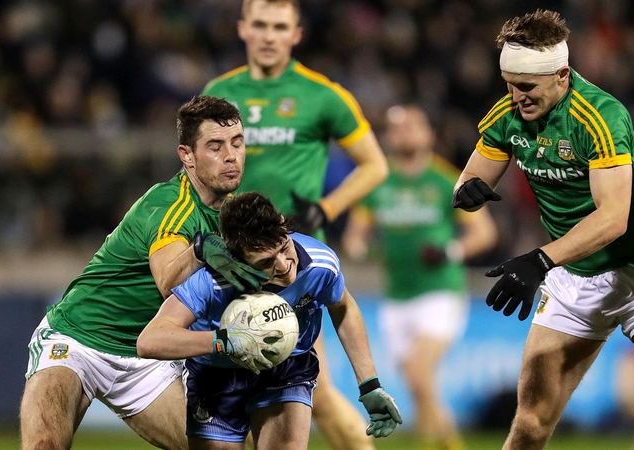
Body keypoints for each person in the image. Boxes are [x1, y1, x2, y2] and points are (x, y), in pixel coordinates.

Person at [452, 9, 634, 450]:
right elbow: (468, 180)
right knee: (529, 426)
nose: (518, 97)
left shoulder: (601, 116)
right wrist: (467, 192)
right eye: (510, 84)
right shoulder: (507, 114)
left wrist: (539, 260)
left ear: (562, 75)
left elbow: (613, 218)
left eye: (528, 87)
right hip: (574, 278)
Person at [19, 96, 270, 450]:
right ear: (187, 156)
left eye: (237, 143)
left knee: (225, 446)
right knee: (45, 444)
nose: (231, 156)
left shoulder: (232, 215)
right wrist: (199, 250)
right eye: (215, 146)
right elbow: (168, 280)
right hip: (78, 339)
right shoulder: (169, 205)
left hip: (146, 360)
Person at [201, 1, 389, 449]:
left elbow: (374, 165)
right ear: (243, 29)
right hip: (227, 261)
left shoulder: (323, 95)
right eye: (261, 25)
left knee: (313, 394)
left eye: (279, 27)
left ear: (296, 35)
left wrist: (326, 209)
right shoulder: (220, 92)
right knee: (229, 388)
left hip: (292, 264)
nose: (269, 36)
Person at [136, 192, 402, 450]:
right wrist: (225, 342)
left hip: (287, 365)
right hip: (215, 375)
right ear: (237, 258)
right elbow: (151, 341)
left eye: (284, 247)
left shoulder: (320, 263)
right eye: (266, 262)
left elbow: (343, 306)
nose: (285, 265)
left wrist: (370, 385)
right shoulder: (212, 281)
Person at [342, 105, 498, 450]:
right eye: (397, 128)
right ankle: (446, 443)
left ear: (429, 134)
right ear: (388, 137)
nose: (405, 134)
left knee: (417, 372)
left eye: (413, 126)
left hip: (439, 291)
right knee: (418, 386)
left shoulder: (446, 180)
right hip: (395, 296)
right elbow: (355, 238)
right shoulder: (377, 181)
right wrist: (364, 251)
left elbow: (484, 233)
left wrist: (448, 252)